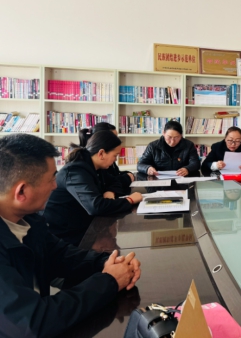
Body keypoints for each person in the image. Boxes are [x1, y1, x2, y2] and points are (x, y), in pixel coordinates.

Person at [0, 134, 141, 337]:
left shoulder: (29, 220)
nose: (56, 185)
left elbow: (60, 254)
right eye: (51, 179)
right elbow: (34, 322)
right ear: (21, 192)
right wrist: (109, 281)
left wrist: (108, 261)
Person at [44, 131, 143, 246]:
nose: (115, 160)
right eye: (115, 155)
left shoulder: (95, 167)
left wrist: (110, 192)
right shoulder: (76, 172)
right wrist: (129, 200)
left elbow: (115, 181)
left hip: (83, 224)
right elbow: (96, 207)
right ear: (101, 153)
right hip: (65, 235)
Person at [78, 122, 134, 195]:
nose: (116, 140)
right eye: (113, 137)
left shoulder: (104, 161)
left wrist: (111, 191)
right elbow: (97, 196)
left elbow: (113, 179)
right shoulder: (82, 169)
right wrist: (127, 178)